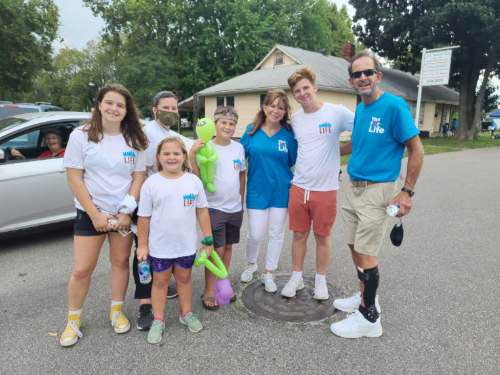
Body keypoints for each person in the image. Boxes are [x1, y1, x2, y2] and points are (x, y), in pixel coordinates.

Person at [330, 51, 424, 338]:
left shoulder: (394, 107)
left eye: (367, 72)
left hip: (377, 191)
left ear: (378, 76)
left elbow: (416, 149)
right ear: (351, 81)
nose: (363, 78)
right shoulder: (361, 109)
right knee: (354, 247)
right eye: (357, 75)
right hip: (353, 187)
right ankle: (364, 298)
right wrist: (318, 149)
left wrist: (406, 192)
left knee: (367, 253)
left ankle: (369, 319)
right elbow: (356, 146)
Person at [59, 84, 148, 347]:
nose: (114, 109)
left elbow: (138, 176)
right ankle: (73, 322)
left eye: (120, 105)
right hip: (90, 213)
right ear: (99, 104)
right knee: (82, 269)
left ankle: (116, 312)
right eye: (109, 103)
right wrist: (95, 214)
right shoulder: (81, 135)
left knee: (120, 263)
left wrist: (126, 211)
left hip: (122, 214)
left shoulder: (135, 138)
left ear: (127, 110)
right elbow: (74, 177)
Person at [280, 67, 354, 300]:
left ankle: (320, 279)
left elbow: (362, 133)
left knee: (322, 236)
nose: (302, 93)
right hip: (299, 186)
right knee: (299, 235)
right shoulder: (296, 120)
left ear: (315, 88)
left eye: (305, 88)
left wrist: (340, 150)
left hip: (325, 189)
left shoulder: (336, 112)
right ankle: (297, 277)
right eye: (297, 91)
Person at [136, 137, 213, 344]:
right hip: (160, 247)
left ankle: (186, 313)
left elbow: (202, 212)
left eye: (176, 153)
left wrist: (208, 239)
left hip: (185, 245)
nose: (171, 157)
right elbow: (143, 217)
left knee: (184, 279)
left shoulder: (193, 181)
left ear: (184, 156)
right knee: (160, 282)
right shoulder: (150, 184)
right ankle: (158, 319)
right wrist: (142, 244)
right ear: (158, 158)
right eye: (166, 154)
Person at [133, 91, 194, 331]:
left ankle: (165, 284)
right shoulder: (146, 133)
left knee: (164, 251)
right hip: (149, 199)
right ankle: (146, 304)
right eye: (166, 107)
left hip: (169, 200)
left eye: (174, 107)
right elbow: (141, 169)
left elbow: (188, 151)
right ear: (154, 109)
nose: (171, 111)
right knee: (143, 252)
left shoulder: (170, 134)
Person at [239, 89, 298, 293]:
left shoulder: (289, 135)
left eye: (280, 107)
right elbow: (238, 160)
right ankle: (251, 264)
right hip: (256, 190)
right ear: (264, 107)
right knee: (255, 233)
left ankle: (269, 272)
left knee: (276, 233)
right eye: (272, 105)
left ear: (285, 112)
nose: (276, 110)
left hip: (281, 191)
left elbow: (295, 162)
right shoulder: (251, 131)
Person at [189, 106, 246, 310]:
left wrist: (241, 200)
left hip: (234, 208)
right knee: (215, 251)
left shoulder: (238, 148)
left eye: (231, 124)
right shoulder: (206, 147)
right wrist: (192, 155)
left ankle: (222, 284)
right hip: (214, 207)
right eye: (223, 122)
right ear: (215, 124)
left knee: (228, 248)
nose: (227, 127)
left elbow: (241, 174)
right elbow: (196, 178)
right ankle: (209, 290)